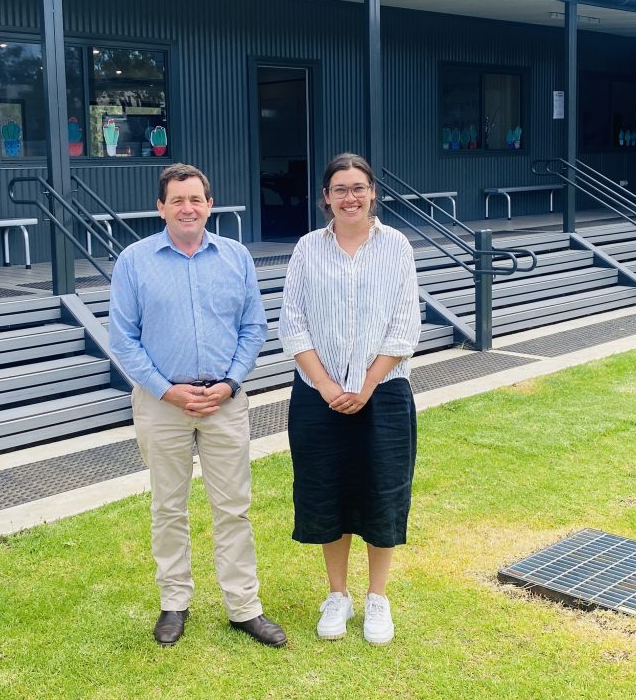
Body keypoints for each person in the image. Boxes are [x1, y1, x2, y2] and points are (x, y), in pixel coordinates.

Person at [109, 164, 287, 648]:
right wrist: (167, 390)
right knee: (168, 506)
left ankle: (243, 607)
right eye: (177, 200)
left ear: (210, 204)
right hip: (161, 402)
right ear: (160, 207)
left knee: (233, 507)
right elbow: (123, 340)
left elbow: (254, 327)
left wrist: (231, 383)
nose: (188, 208)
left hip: (224, 401)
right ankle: (174, 604)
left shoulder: (236, 257)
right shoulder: (134, 261)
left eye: (196, 199)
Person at [278, 153, 421, 645]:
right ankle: (337, 595)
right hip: (319, 396)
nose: (350, 196)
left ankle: (377, 598)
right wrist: (328, 387)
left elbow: (405, 327)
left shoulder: (397, 247)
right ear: (326, 197)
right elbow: (292, 325)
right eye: (340, 189)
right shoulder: (306, 249)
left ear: (373, 192)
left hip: (383, 393)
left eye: (358, 187)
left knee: (382, 493)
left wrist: (363, 386)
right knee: (328, 493)